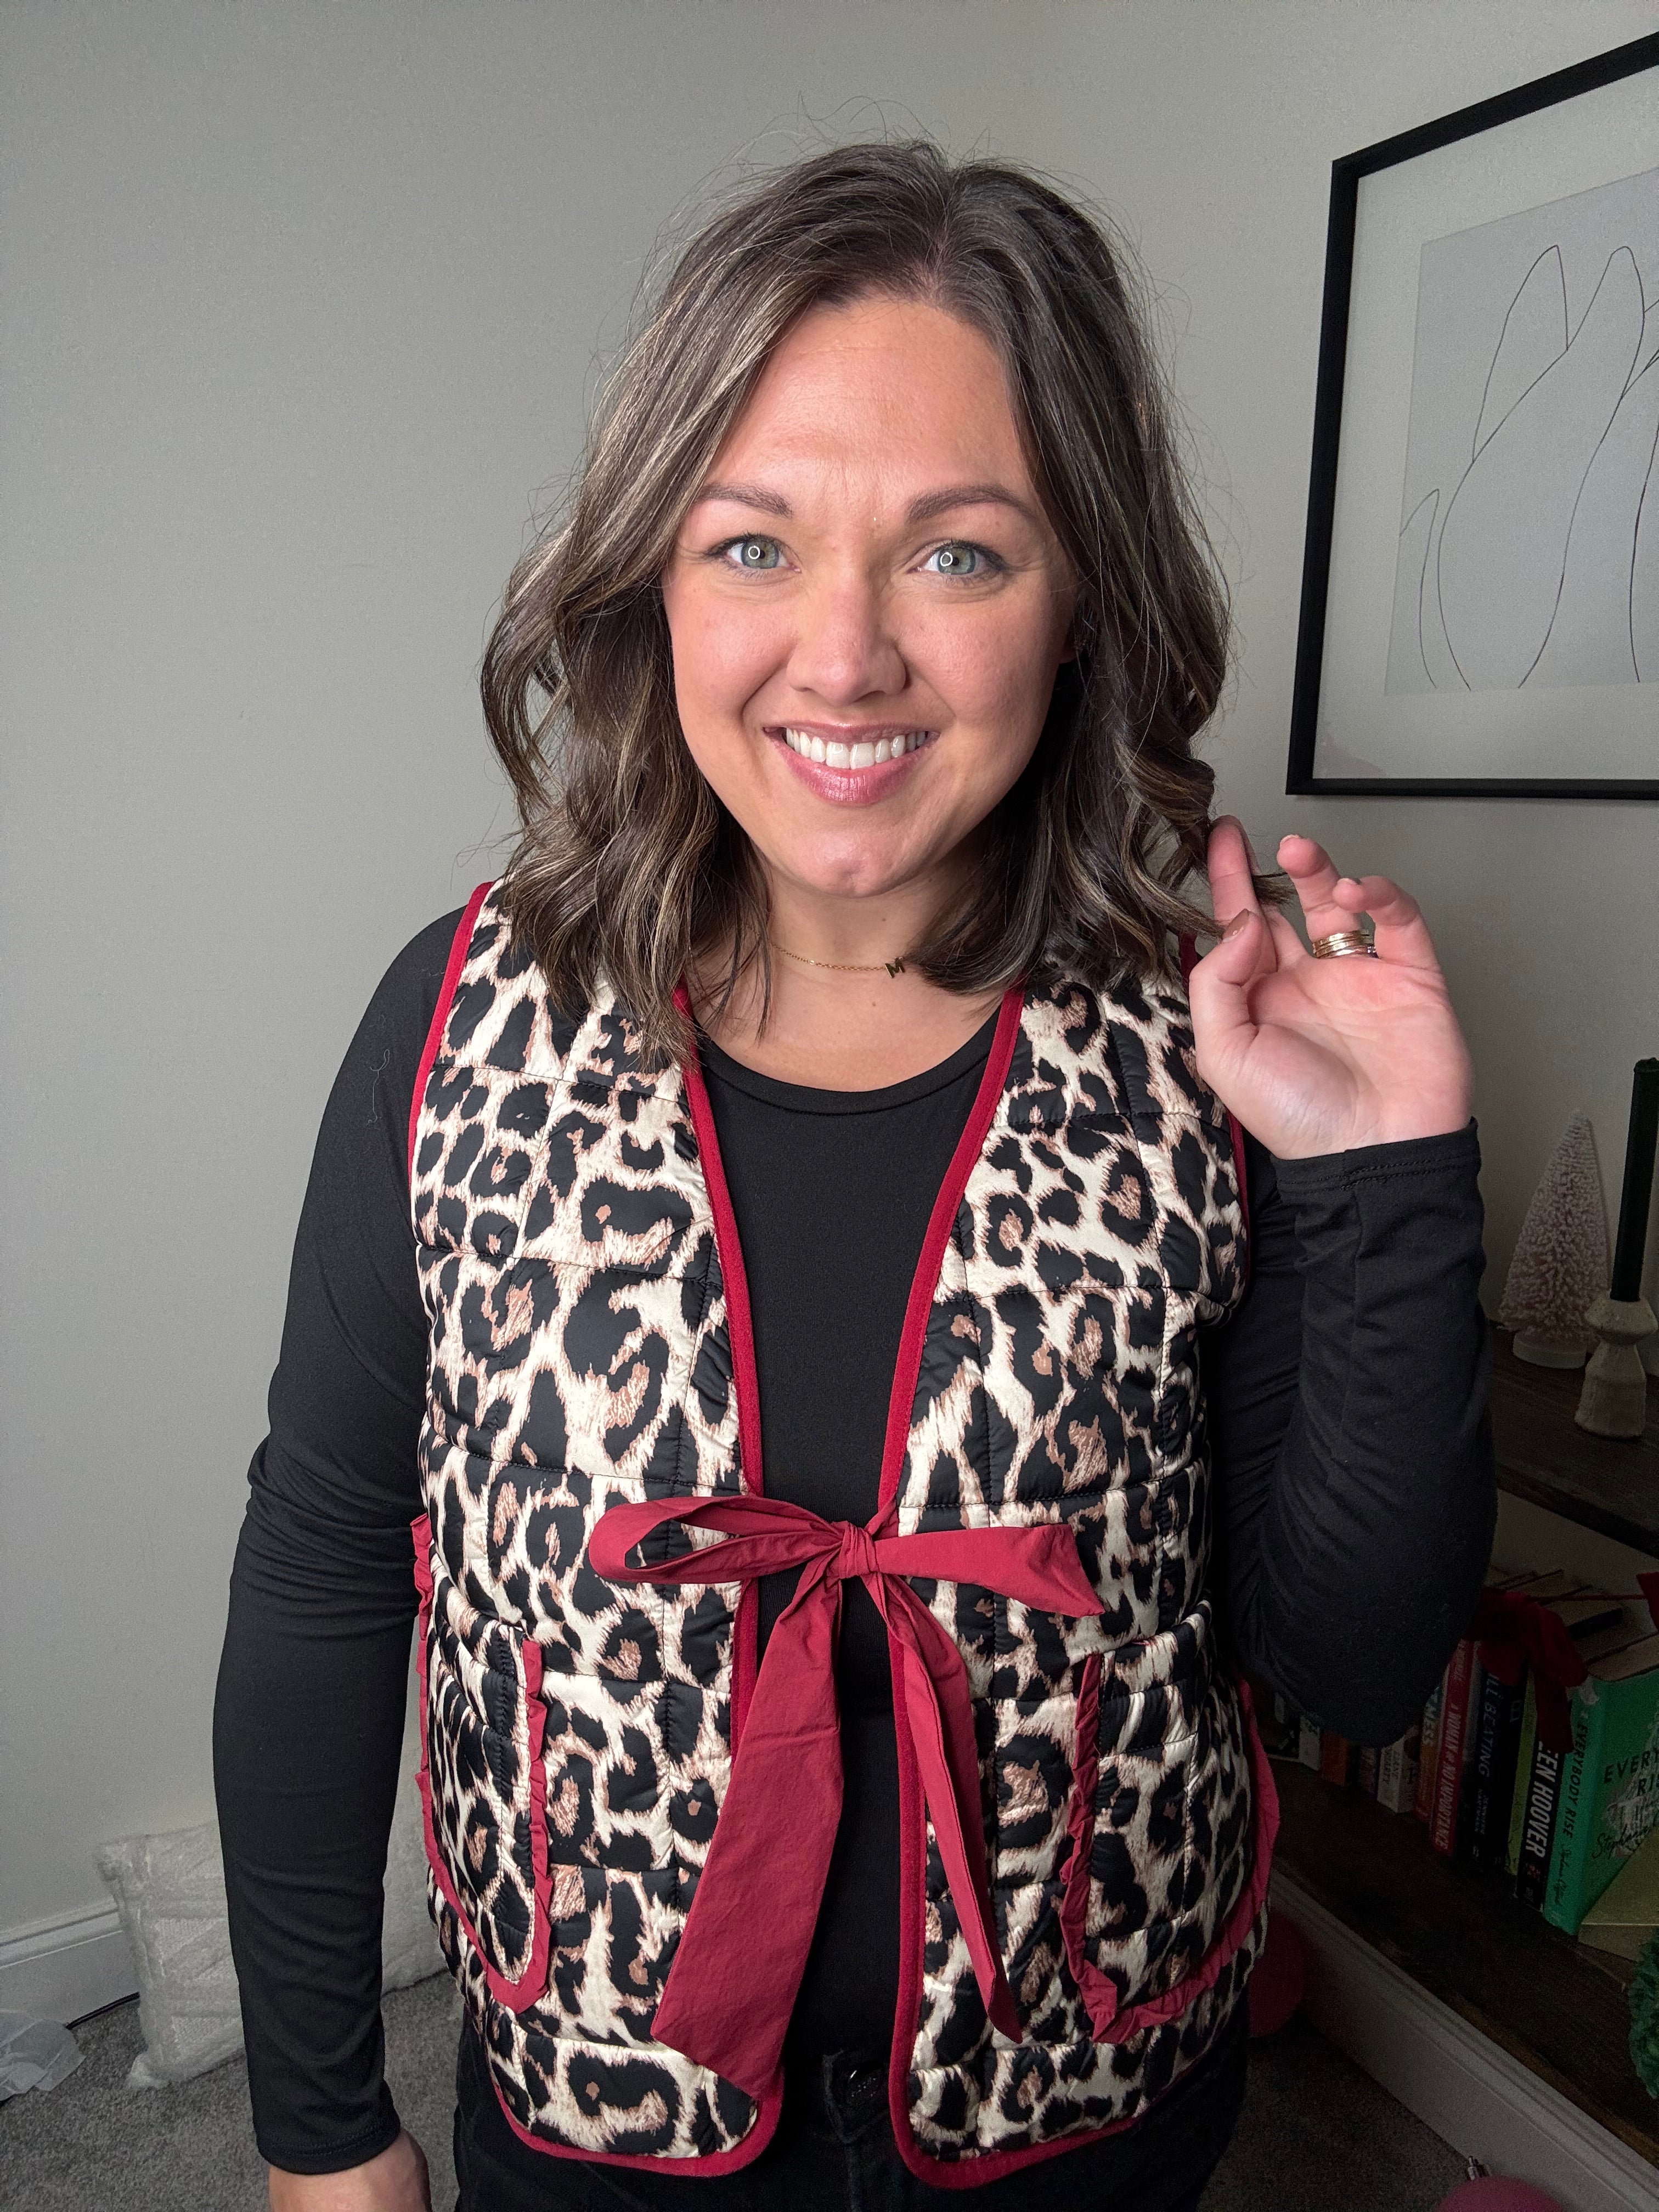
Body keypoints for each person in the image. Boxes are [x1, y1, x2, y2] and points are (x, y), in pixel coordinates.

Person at [213, 142, 1494, 2212]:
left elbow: (1354, 1667)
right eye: (753, 546)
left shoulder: (1218, 1051)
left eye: (958, 557)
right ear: (653, 576)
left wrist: (1380, 1179)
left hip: (1079, 2123)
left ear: (1082, 600)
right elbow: (331, 1565)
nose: (844, 655)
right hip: (594, 2126)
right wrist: (312, 2120)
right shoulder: (457, 1025)